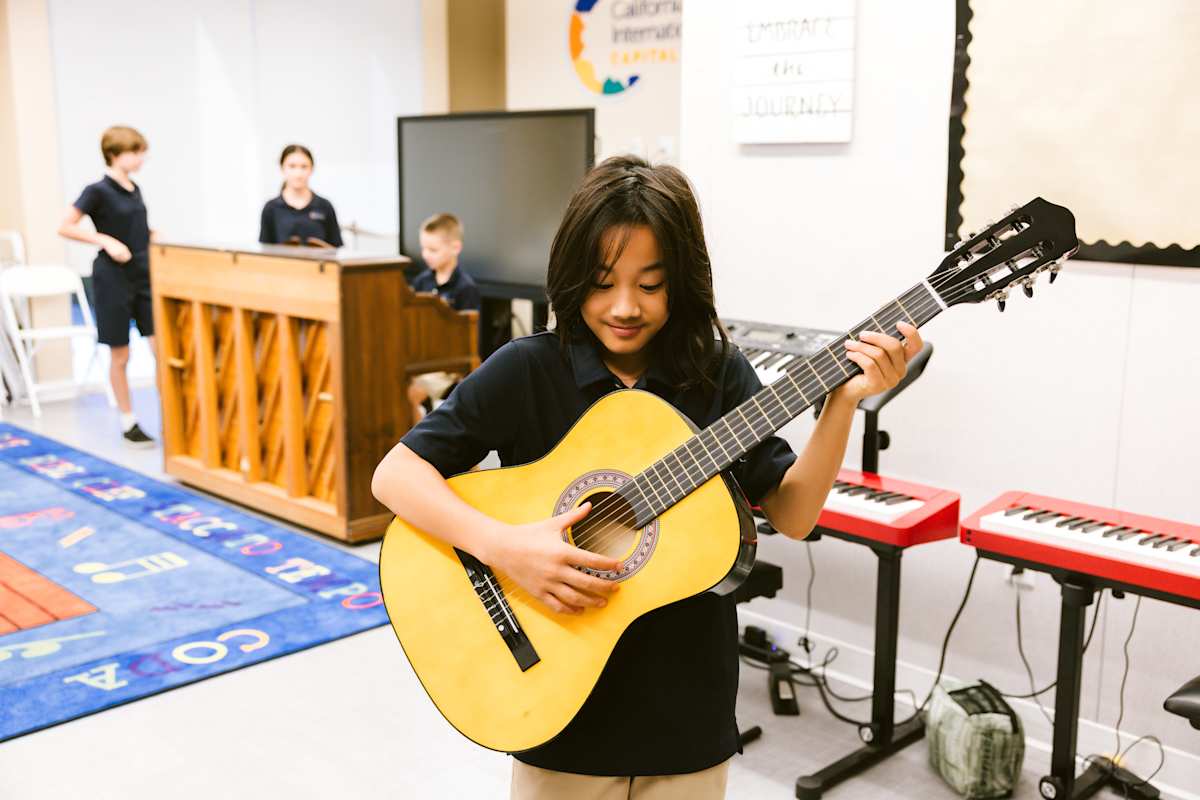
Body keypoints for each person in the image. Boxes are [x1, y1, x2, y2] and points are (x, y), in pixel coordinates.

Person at [371, 156, 921, 799]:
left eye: (652, 285)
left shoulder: (718, 374)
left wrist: (842, 405)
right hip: (558, 714)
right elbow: (396, 474)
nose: (625, 306)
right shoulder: (528, 370)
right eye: (603, 282)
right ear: (573, 279)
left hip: (687, 718)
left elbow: (794, 516)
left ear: (682, 283)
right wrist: (505, 547)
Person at [58, 125, 156, 447]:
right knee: (121, 354)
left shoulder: (135, 189)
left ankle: (174, 416)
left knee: (159, 346)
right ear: (115, 154)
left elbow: (137, 227)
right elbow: (65, 226)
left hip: (142, 275)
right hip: (113, 277)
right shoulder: (97, 190)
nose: (141, 157)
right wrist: (105, 240)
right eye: (135, 151)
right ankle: (129, 420)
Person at [406, 212, 480, 421]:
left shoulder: (466, 288)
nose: (426, 255)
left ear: (455, 248)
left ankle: (420, 441)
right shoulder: (421, 282)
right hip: (424, 359)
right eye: (423, 248)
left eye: (433, 250)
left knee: (413, 392)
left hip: (449, 366)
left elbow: (470, 339)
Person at [258, 144, 343, 248]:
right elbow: (265, 251)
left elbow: (336, 248)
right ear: (282, 168)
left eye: (304, 167)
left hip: (319, 264)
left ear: (311, 169)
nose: (298, 173)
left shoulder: (325, 206)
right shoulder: (271, 208)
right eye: (292, 166)